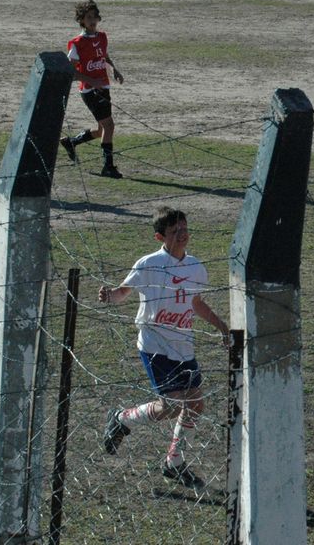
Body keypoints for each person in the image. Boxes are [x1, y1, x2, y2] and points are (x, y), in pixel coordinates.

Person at [98, 206, 230, 489]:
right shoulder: (149, 264)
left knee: (195, 404)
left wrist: (221, 325)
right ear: (160, 236)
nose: (182, 234)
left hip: (184, 346)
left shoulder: (195, 267)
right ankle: (122, 418)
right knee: (170, 406)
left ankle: (174, 462)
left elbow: (196, 303)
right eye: (175, 231)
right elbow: (123, 292)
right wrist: (109, 296)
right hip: (155, 345)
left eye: (185, 229)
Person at [60, 0, 125, 178]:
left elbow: (104, 55)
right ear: (81, 20)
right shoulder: (77, 43)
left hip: (103, 87)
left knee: (101, 130)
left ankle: (71, 142)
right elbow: (71, 73)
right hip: (90, 91)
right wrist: (92, 81)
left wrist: (114, 69)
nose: (92, 20)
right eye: (88, 17)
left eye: (94, 16)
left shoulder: (102, 37)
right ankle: (108, 167)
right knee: (109, 126)